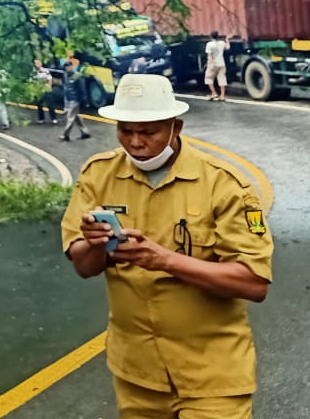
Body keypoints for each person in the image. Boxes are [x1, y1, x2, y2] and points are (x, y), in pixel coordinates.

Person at [61, 74, 272, 418]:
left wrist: (164, 260)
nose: (135, 142)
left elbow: (253, 282)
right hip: (138, 375)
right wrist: (94, 242)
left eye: (148, 132)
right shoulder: (97, 175)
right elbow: (84, 267)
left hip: (212, 376)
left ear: (176, 127)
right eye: (125, 130)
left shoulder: (225, 184)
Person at [60, 56, 91, 142]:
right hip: (69, 98)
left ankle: (65, 134)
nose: (68, 68)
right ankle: (85, 132)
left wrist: (85, 100)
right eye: (66, 66)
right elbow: (65, 87)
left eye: (69, 66)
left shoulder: (78, 76)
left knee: (70, 116)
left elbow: (82, 88)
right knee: (75, 116)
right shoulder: (66, 75)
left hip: (75, 98)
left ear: (72, 66)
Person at [32, 59, 58, 125]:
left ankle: (54, 118)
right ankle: (41, 118)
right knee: (39, 104)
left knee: (50, 104)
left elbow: (50, 79)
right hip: (38, 89)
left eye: (38, 63)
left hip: (45, 88)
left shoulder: (45, 70)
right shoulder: (33, 71)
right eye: (36, 63)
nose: (37, 64)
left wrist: (49, 87)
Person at [204, 31, 228, 101]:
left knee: (208, 78)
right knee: (222, 79)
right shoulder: (222, 43)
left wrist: (209, 64)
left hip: (213, 64)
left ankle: (214, 93)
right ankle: (222, 95)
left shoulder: (209, 44)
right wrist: (227, 40)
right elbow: (228, 47)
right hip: (221, 63)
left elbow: (209, 56)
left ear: (211, 36)